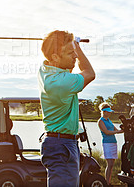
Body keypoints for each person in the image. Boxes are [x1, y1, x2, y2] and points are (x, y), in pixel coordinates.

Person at [38, 30, 96, 187]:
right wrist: (77, 46)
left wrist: (67, 43)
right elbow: (89, 73)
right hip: (62, 145)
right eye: (71, 53)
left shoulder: (46, 70)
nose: (75, 56)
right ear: (56, 57)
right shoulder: (60, 83)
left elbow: (66, 68)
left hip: (59, 143)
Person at [97, 102, 124, 186]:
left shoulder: (109, 120)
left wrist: (123, 130)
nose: (109, 113)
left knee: (112, 165)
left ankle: (108, 182)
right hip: (107, 143)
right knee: (110, 164)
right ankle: (106, 183)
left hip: (113, 142)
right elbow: (107, 132)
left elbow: (115, 129)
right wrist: (118, 131)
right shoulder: (100, 121)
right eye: (108, 112)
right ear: (104, 111)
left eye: (109, 112)